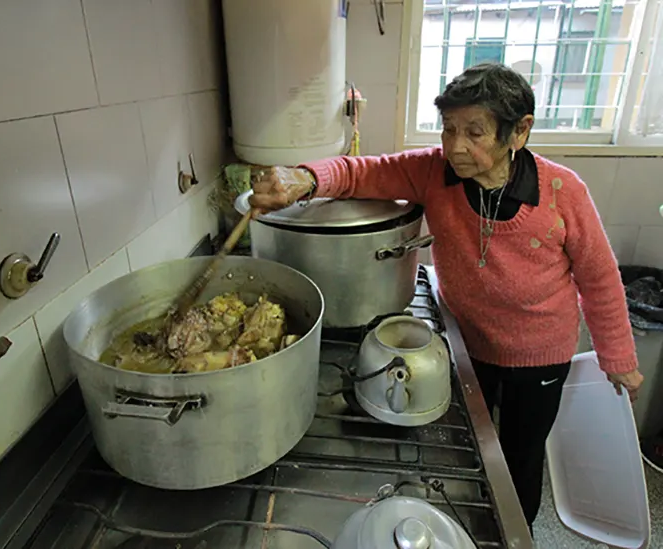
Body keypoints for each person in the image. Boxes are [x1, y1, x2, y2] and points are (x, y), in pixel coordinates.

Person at [249, 62, 645, 533]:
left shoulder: (563, 192)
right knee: (479, 446)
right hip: (468, 339)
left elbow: (599, 278)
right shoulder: (432, 173)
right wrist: (303, 179)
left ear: (518, 131)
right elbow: (360, 173)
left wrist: (616, 354)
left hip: (539, 355)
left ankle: (514, 533)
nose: (455, 146)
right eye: (448, 129)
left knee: (519, 455)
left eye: (474, 132)